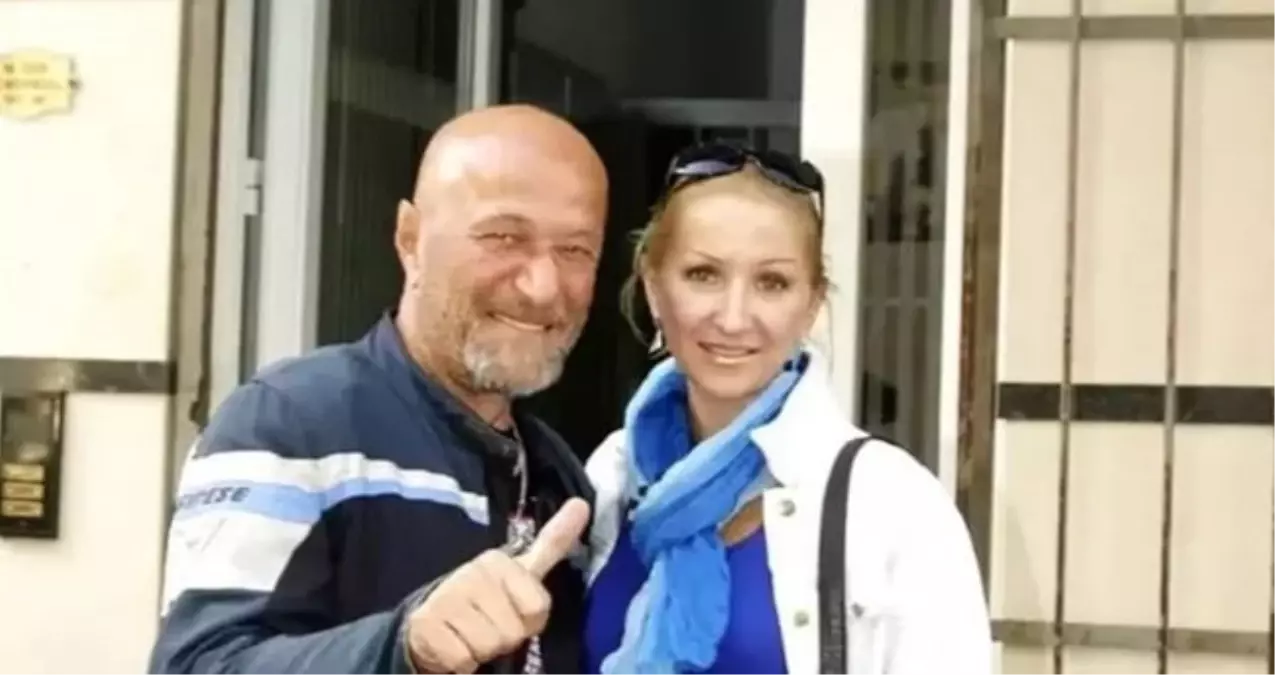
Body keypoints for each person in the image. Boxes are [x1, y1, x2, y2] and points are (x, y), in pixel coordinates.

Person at [148, 104, 609, 675]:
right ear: (410, 239)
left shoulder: (557, 474)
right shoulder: (292, 424)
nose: (542, 287)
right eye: (503, 237)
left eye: (575, 250)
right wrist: (405, 646)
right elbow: (197, 664)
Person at [581, 144, 992, 674]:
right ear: (654, 288)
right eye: (703, 274)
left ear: (812, 303)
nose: (733, 318)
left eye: (771, 283)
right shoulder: (613, 475)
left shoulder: (894, 506)